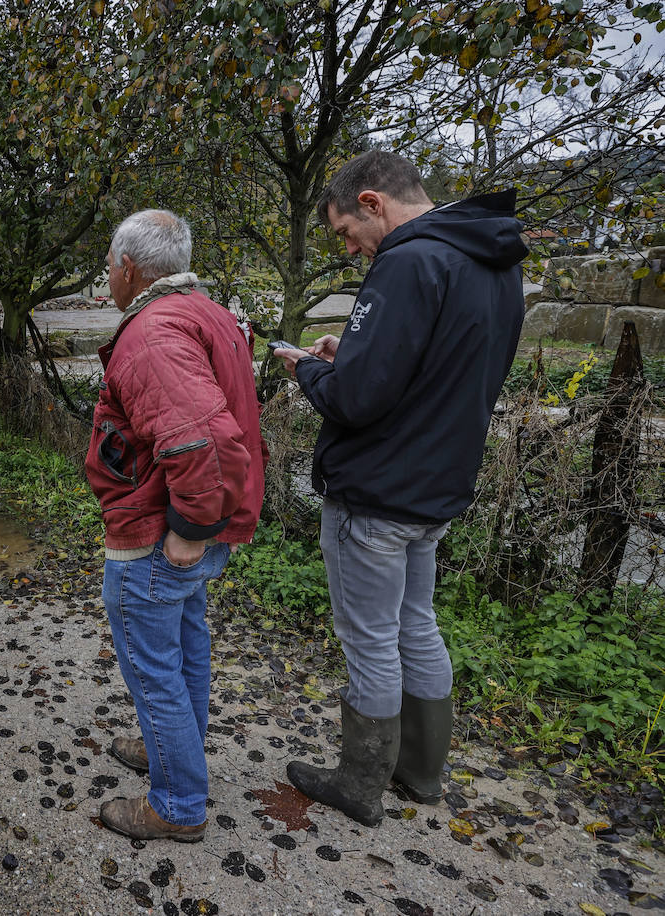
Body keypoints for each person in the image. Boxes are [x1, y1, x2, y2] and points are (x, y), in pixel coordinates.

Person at [271, 150, 527, 827]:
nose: (350, 250)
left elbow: (356, 401)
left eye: (345, 233)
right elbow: (442, 372)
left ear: (372, 203)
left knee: (371, 639)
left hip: (379, 490)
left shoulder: (408, 262)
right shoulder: (492, 261)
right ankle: (421, 772)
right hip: (439, 484)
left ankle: (359, 782)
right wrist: (349, 353)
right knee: (416, 623)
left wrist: (306, 370)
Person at [86, 209, 265, 842]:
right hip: (207, 523)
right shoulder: (205, 312)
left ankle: (178, 804)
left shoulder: (153, 334)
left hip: (163, 531)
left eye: (109, 266)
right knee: (186, 642)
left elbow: (202, 442)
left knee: (151, 662)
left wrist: (188, 530)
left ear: (128, 269)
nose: (109, 276)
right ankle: (172, 750)